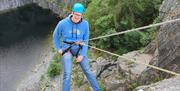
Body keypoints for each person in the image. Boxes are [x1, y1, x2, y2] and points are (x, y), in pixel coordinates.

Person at [53, 3, 101, 91]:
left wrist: (82, 54)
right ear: (72, 13)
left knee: (87, 71)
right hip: (66, 48)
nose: (77, 17)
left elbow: (86, 40)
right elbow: (55, 35)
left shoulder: (85, 24)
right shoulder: (62, 23)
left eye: (79, 15)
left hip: (80, 48)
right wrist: (58, 48)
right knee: (67, 73)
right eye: (76, 15)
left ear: (82, 15)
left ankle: (97, 89)